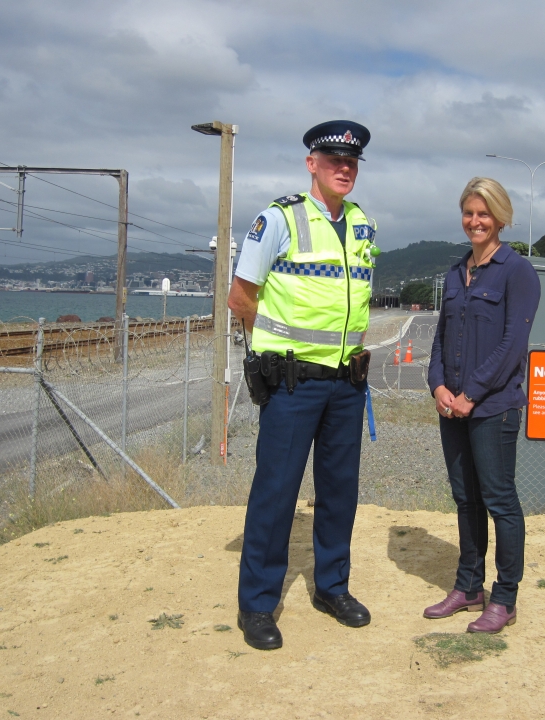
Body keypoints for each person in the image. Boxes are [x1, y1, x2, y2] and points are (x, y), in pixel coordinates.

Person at [227, 120, 378, 650]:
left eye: (352, 162)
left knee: (339, 492)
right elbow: (241, 296)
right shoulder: (279, 218)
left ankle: (332, 588)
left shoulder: (363, 225)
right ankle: (257, 605)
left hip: (347, 384)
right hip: (293, 384)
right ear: (312, 163)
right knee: (276, 493)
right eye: (334, 160)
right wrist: (267, 351)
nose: (344, 168)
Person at [425, 177, 541, 633]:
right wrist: (438, 386)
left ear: (500, 217)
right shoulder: (457, 272)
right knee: (465, 499)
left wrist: (471, 394)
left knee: (499, 500)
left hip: (494, 407)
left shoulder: (517, 271)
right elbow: (441, 338)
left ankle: (504, 598)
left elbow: (513, 345)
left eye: (484, 213)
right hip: (452, 407)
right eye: (469, 213)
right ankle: (468, 587)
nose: (475, 221)